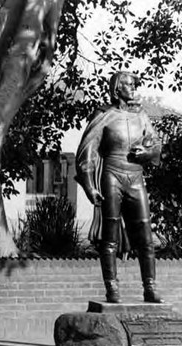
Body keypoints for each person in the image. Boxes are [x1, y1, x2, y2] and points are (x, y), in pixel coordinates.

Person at [75, 71, 163, 304]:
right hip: (112, 175)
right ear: (117, 88)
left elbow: (155, 145)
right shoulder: (104, 115)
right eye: (128, 84)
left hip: (136, 177)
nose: (133, 88)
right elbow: (88, 151)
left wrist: (147, 153)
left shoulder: (141, 116)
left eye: (135, 84)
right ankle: (112, 288)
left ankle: (150, 287)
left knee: (145, 233)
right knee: (110, 235)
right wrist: (88, 186)